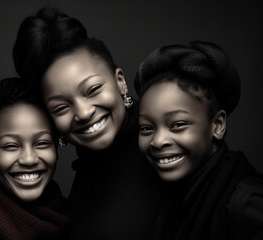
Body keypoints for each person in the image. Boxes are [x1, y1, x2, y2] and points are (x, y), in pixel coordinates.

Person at [13, 7, 165, 239]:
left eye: (93, 89)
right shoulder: (86, 174)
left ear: (120, 82)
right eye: (61, 107)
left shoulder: (163, 148)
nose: (83, 113)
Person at [134, 40, 263, 240]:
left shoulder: (246, 203)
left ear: (217, 125)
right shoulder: (167, 197)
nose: (158, 141)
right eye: (146, 128)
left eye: (177, 124)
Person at [0, 77, 70, 240]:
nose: (29, 159)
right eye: (11, 146)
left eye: (42, 143)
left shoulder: (73, 212)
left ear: (56, 148)